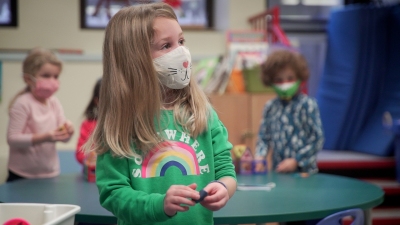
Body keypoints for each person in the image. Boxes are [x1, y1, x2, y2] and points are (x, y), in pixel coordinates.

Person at [84, 3, 237, 225]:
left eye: (181, 42)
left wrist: (223, 187)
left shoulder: (202, 113)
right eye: (166, 45)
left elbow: (226, 171)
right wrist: (160, 204)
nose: (181, 52)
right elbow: (113, 194)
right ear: (134, 59)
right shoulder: (120, 124)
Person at [6, 47, 74, 182]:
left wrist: (69, 130)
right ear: (28, 79)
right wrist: (45, 137)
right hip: (22, 175)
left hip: (50, 173)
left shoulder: (54, 102)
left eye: (56, 76)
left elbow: (63, 138)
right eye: (46, 76)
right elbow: (12, 139)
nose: (52, 81)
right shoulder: (23, 103)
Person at [254, 49, 324, 175]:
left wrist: (296, 160)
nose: (285, 84)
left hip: (305, 172)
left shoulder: (308, 104)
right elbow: (263, 137)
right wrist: (260, 157)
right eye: (279, 80)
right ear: (270, 81)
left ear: (299, 77)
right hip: (279, 172)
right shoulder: (270, 107)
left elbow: (317, 138)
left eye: (290, 78)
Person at [75, 78, 101, 165]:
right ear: (97, 101)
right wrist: (89, 157)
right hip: (93, 174)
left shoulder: (124, 126)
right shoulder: (88, 125)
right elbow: (80, 154)